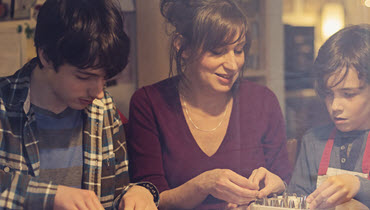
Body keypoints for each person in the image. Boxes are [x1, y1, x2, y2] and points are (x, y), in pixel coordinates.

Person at [127, 0, 292, 209]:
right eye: (217, 52)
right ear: (183, 47)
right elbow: (151, 198)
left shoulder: (263, 101)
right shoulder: (149, 103)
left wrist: (277, 185)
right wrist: (204, 185)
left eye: (239, 50)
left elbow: (285, 180)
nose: (233, 65)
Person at [0, 0, 159, 209]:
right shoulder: (5, 105)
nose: (98, 92)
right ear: (46, 56)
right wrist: (50, 196)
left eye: (105, 78)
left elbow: (118, 192)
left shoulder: (103, 109)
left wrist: (142, 191)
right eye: (84, 77)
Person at [288, 24, 370, 209]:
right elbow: (296, 199)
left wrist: (358, 185)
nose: (335, 106)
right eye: (328, 94)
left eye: (348, 94)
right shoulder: (313, 141)